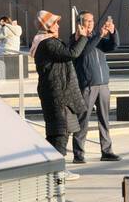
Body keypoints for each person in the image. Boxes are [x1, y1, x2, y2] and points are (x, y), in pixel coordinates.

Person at [30, 10, 89, 156]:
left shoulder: (48, 41)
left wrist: (77, 40)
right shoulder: (48, 43)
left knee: (61, 132)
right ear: (47, 25)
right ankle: (57, 172)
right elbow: (71, 54)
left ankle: (55, 169)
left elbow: (66, 53)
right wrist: (83, 37)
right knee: (59, 133)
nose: (58, 25)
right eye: (55, 23)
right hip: (58, 95)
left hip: (59, 94)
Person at [72, 13, 121, 162]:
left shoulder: (96, 38)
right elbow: (84, 51)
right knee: (83, 120)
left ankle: (106, 151)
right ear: (80, 23)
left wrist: (113, 33)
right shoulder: (76, 38)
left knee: (104, 119)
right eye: (87, 21)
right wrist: (98, 36)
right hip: (87, 86)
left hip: (103, 85)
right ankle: (78, 154)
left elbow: (114, 45)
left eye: (92, 20)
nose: (90, 23)